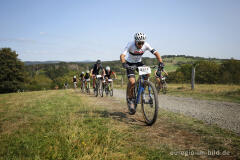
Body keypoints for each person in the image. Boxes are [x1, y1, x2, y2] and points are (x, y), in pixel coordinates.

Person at [120, 32, 164, 113]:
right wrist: (124, 64)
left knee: (148, 73)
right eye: (139, 43)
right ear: (135, 41)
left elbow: (156, 53)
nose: (141, 45)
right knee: (132, 82)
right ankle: (130, 99)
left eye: (142, 43)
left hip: (139, 63)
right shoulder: (130, 44)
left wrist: (161, 62)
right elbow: (122, 55)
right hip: (129, 63)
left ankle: (143, 87)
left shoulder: (146, 45)